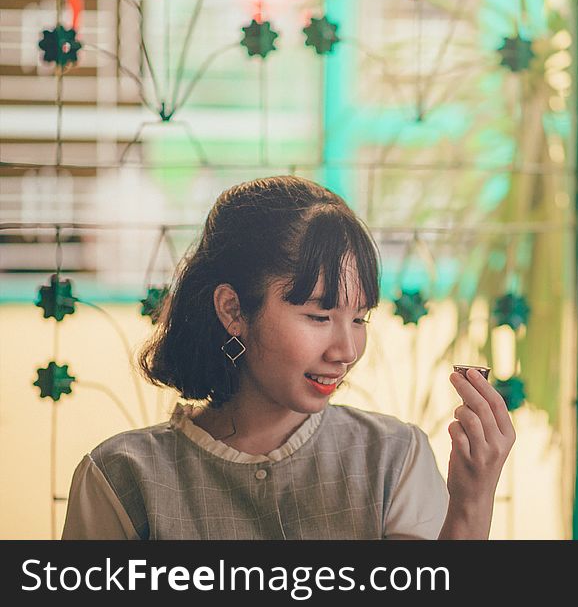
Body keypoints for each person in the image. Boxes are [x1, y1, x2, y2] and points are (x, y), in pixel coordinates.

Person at [61, 175, 515, 539]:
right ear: (233, 309)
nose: (347, 351)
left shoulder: (394, 459)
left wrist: (471, 503)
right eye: (318, 316)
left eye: (360, 319)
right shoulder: (121, 478)